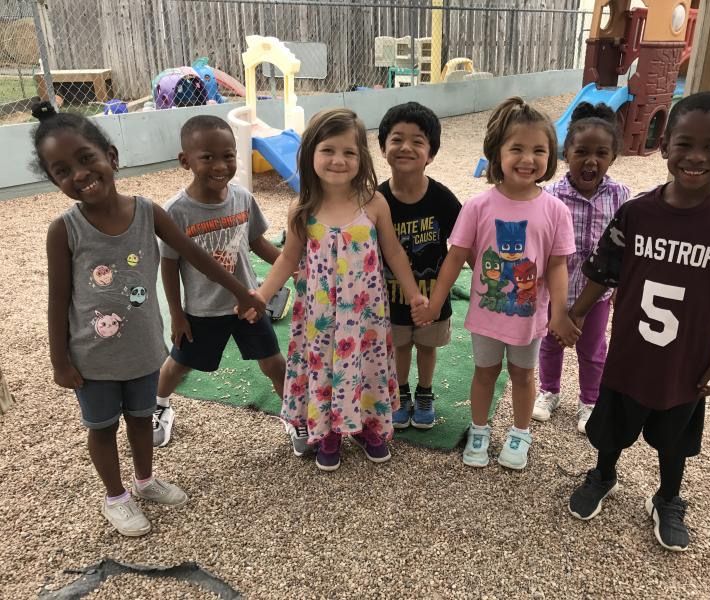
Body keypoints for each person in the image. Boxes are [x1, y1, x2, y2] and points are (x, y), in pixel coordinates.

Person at [36, 102, 266, 536]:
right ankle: (115, 497)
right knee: (102, 427)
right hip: (93, 357)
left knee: (142, 417)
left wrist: (241, 291)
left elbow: (196, 254)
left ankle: (144, 481)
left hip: (143, 348)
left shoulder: (148, 212)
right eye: (62, 170)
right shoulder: (64, 230)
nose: (80, 174)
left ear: (111, 157)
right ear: (54, 180)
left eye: (86, 158)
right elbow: (58, 299)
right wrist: (59, 361)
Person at [564, 92, 710, 552]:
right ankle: (603, 474)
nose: (696, 157)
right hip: (629, 352)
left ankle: (669, 497)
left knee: (675, 438)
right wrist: (575, 314)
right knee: (612, 425)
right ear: (664, 145)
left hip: (686, 359)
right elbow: (603, 270)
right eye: (685, 144)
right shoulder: (637, 212)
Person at [251, 108, 427, 471]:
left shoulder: (373, 203)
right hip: (320, 317)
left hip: (365, 315)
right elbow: (287, 259)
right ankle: (327, 429)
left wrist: (413, 293)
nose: (338, 160)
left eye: (349, 152)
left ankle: (366, 424)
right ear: (310, 153)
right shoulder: (303, 208)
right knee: (326, 368)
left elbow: (393, 252)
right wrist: (262, 295)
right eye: (328, 150)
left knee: (364, 365)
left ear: (362, 157)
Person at [412, 97, 578, 470]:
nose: (527, 158)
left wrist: (560, 312)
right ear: (496, 153)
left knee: (523, 375)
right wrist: (435, 302)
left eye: (539, 150)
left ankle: (520, 433)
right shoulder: (478, 206)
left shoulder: (555, 210)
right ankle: (479, 429)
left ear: (550, 156)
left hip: (529, 318)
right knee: (484, 373)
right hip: (487, 316)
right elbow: (455, 257)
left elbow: (557, 265)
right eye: (516, 148)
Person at [153, 116, 286, 448]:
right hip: (202, 310)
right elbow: (168, 265)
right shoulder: (176, 212)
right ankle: (159, 405)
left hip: (249, 304)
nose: (220, 165)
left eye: (228, 155)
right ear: (185, 161)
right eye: (207, 157)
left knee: (273, 362)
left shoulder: (242, 198)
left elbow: (258, 242)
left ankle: (293, 411)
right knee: (179, 364)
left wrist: (292, 267)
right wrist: (177, 315)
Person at [533, 102, 630, 433]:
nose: (591, 161)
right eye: (582, 152)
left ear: (612, 157)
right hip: (555, 292)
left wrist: (619, 288)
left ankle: (590, 400)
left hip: (597, 294)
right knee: (551, 343)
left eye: (601, 153)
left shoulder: (620, 195)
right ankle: (549, 391)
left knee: (592, 349)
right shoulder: (550, 196)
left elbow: (625, 247)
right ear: (566, 154)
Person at [377, 102, 462, 430]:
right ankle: (400, 393)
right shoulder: (377, 199)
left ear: (431, 153)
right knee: (399, 346)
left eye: (417, 141)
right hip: (391, 297)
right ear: (383, 147)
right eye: (397, 139)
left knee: (427, 346)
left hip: (432, 296)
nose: (406, 147)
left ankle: (425, 392)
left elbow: (463, 243)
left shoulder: (442, 198)